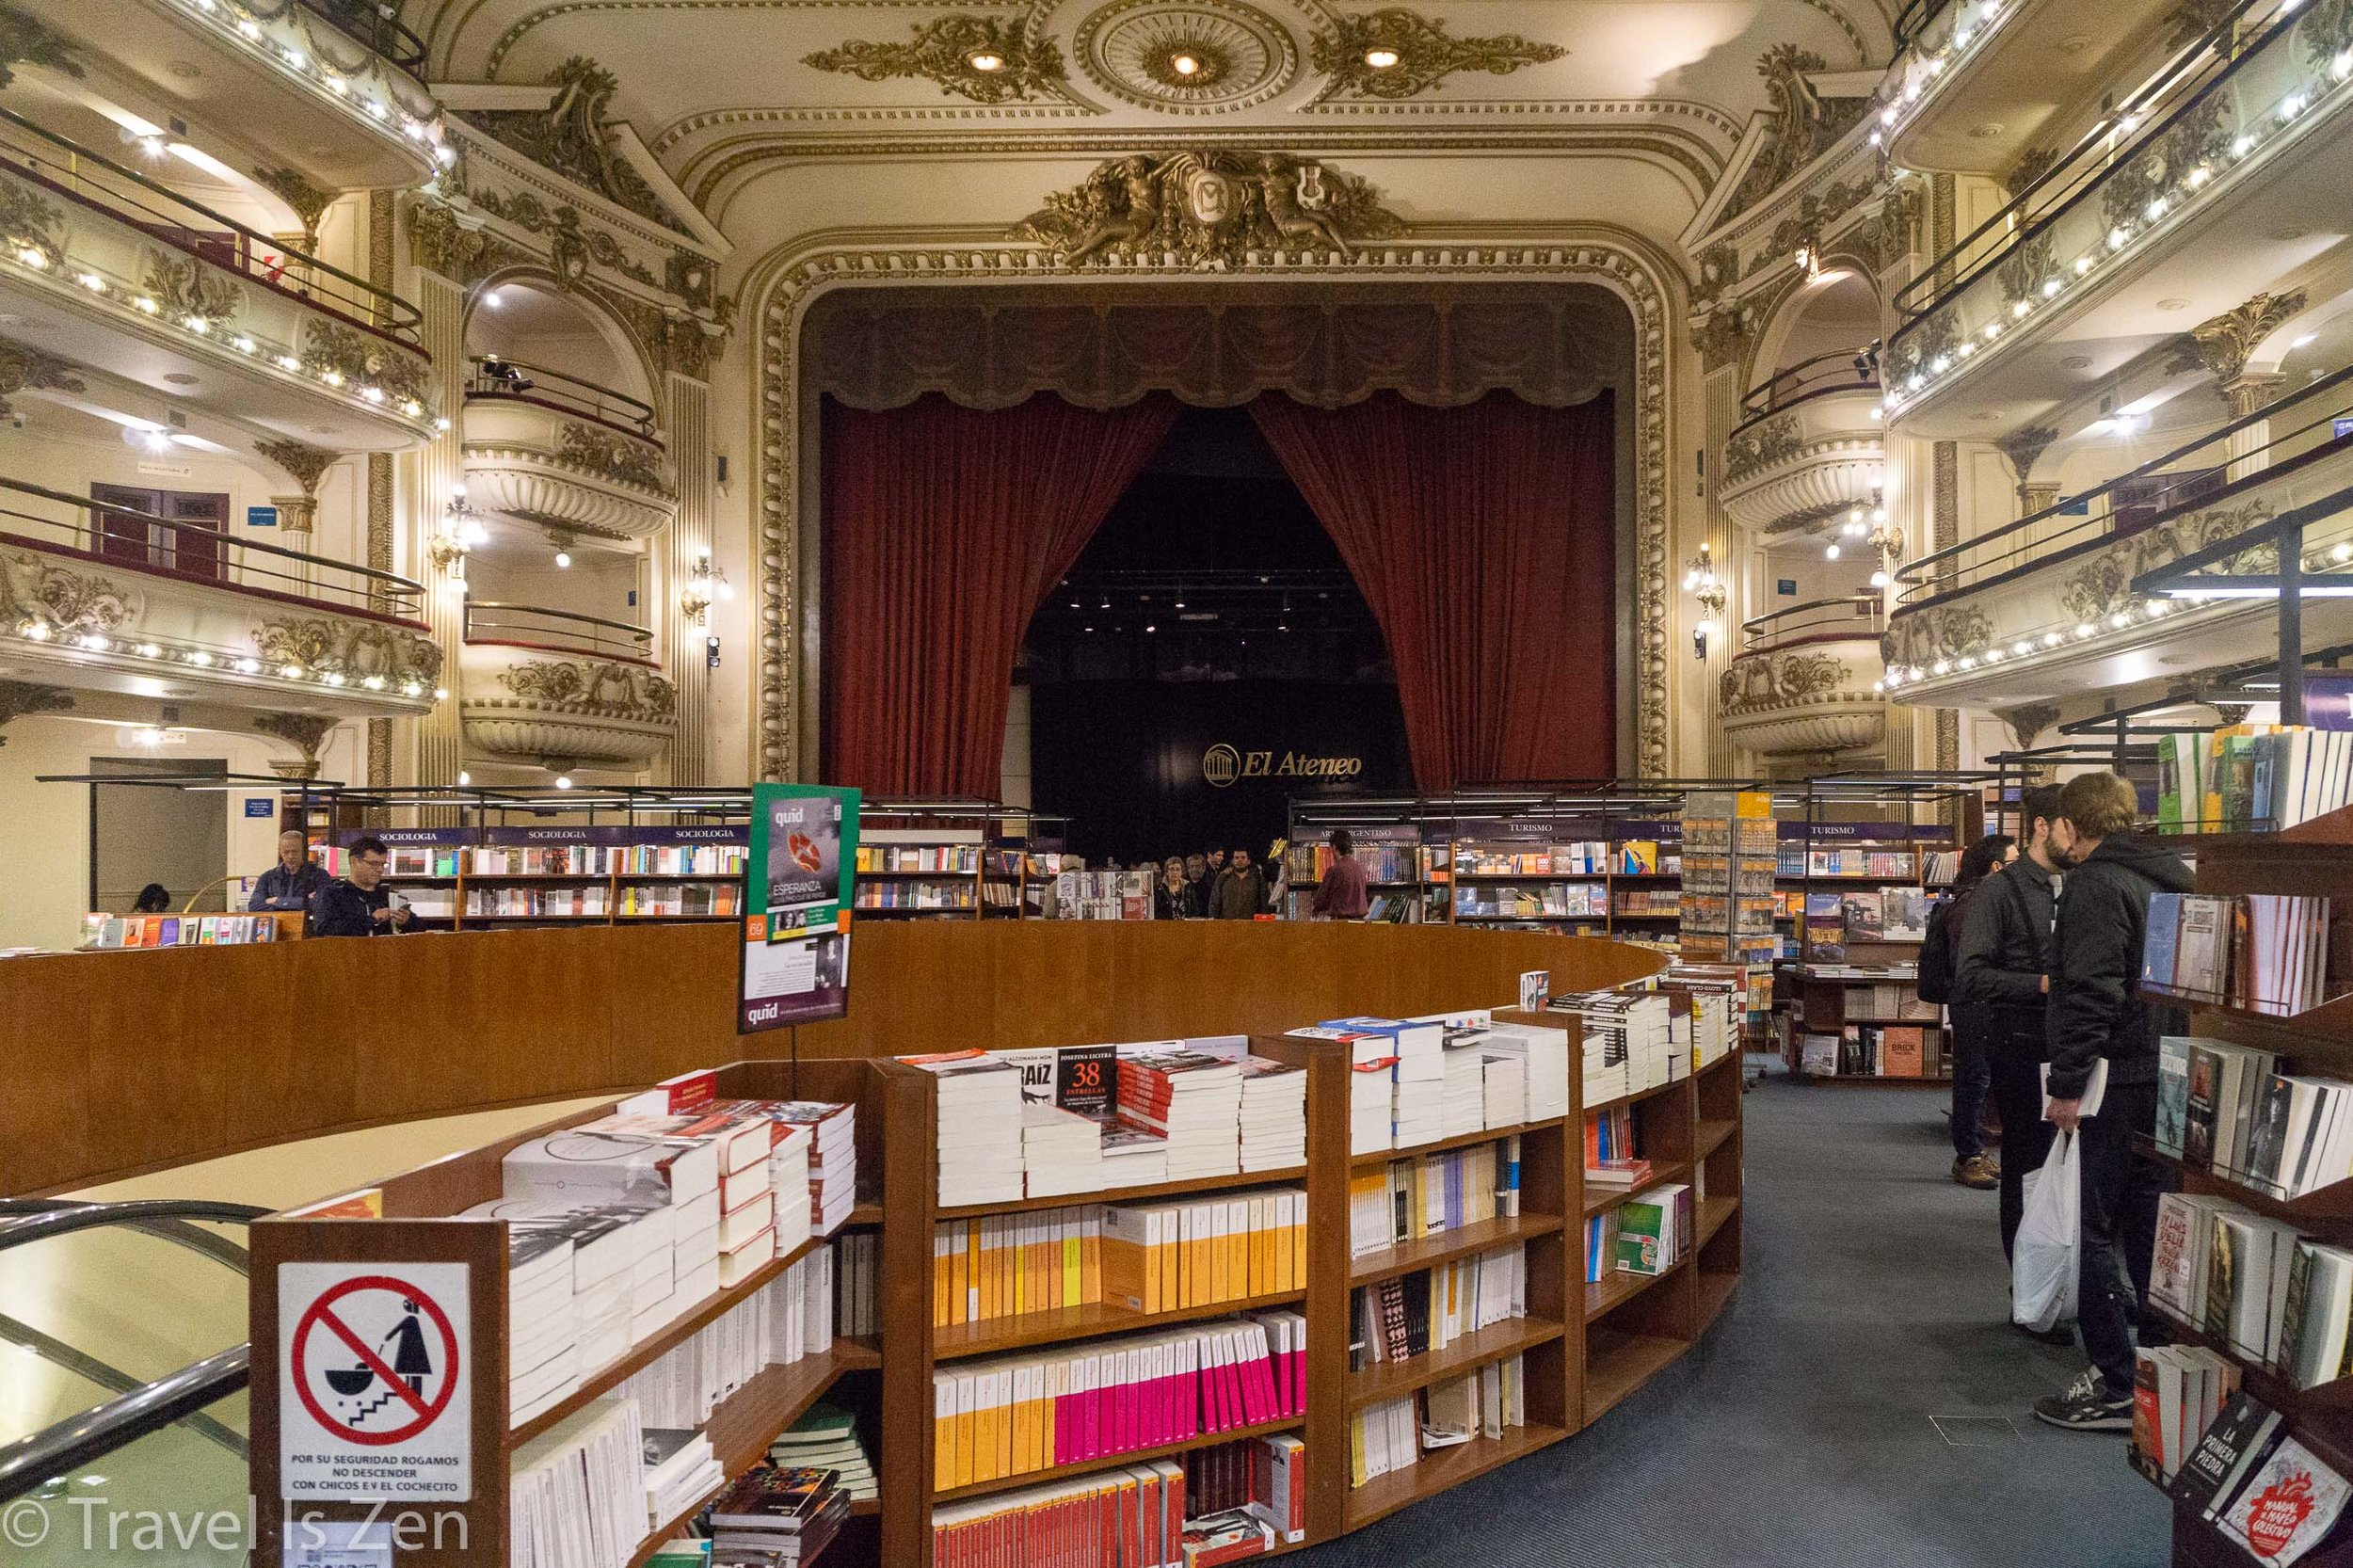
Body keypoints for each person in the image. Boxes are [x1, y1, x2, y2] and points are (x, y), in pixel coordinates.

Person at [2032, 771, 2193, 1432]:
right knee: (2152, 1223)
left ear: (2071, 826)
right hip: (2171, 1071)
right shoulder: (2173, 877)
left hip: (2115, 1077)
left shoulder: (2098, 886)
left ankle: (2119, 1382)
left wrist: (2066, 1086)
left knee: (2092, 1224)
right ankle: (2158, 1369)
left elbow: (2094, 992)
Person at [1958, 785, 2065, 1272]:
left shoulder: (2092, 884)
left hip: (2081, 1045)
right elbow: (1972, 975)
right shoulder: (2000, 890)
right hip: (2022, 1044)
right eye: (2072, 825)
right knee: (2027, 1164)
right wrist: (2039, 983)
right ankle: (2026, 1277)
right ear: (2041, 826)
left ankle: (2075, 1278)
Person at [1929, 833, 2015, 1190]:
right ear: (1996, 867)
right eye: (2013, 862)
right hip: (1975, 1003)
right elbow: (1968, 962)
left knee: (1982, 1079)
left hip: (1983, 1002)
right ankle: (1968, 1156)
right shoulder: (1974, 905)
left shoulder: (1980, 901)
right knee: (1974, 1080)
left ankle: (1974, 1151)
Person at [309, 835, 413, 937]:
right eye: (373, 864)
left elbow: (420, 927)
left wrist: (407, 921)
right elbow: (323, 929)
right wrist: (371, 920)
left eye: (382, 864)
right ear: (354, 861)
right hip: (349, 952)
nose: (380, 869)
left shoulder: (386, 895)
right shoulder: (333, 894)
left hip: (386, 952)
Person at [249, 829, 330, 912]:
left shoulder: (320, 875)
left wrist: (277, 901)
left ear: (304, 851)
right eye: (286, 852)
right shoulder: (267, 877)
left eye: (295, 852)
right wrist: (299, 902)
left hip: (308, 923)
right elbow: (254, 906)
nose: (290, 856)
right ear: (280, 852)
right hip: (277, 923)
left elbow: (324, 904)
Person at [1312, 828, 1371, 920]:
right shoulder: (1361, 868)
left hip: (1340, 923)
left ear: (1334, 847)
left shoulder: (1335, 870)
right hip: (1360, 922)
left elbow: (1320, 900)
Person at [1209, 846, 1265, 920]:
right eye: (1236, 858)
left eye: (1243, 857)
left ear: (1248, 861)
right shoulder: (1224, 877)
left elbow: (1264, 902)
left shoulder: (1257, 879)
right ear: (1232, 861)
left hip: (1250, 925)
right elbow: (1215, 900)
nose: (1240, 860)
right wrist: (1213, 918)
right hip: (1226, 924)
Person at [1154, 856, 1192, 920]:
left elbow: (1194, 909)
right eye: (1171, 869)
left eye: (1178, 869)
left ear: (1182, 872)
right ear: (1166, 872)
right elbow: (1157, 912)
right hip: (1166, 925)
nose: (1175, 872)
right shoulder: (1160, 889)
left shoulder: (1188, 887)